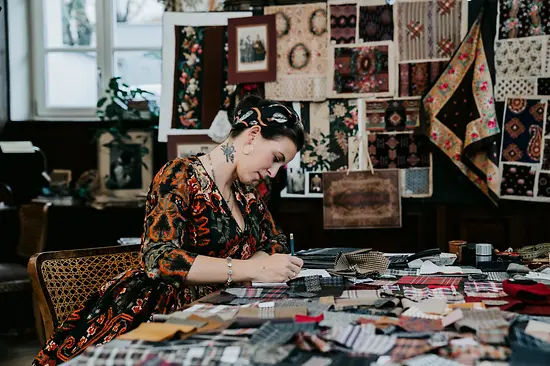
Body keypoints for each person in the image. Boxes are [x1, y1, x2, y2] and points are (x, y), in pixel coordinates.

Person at [33, 95, 305, 365]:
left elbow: (276, 241)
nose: (273, 172)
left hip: (213, 312)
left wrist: (260, 262)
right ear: (253, 135)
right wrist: (253, 269)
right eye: (276, 158)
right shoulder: (179, 175)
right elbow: (159, 258)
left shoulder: (246, 194)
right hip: (157, 315)